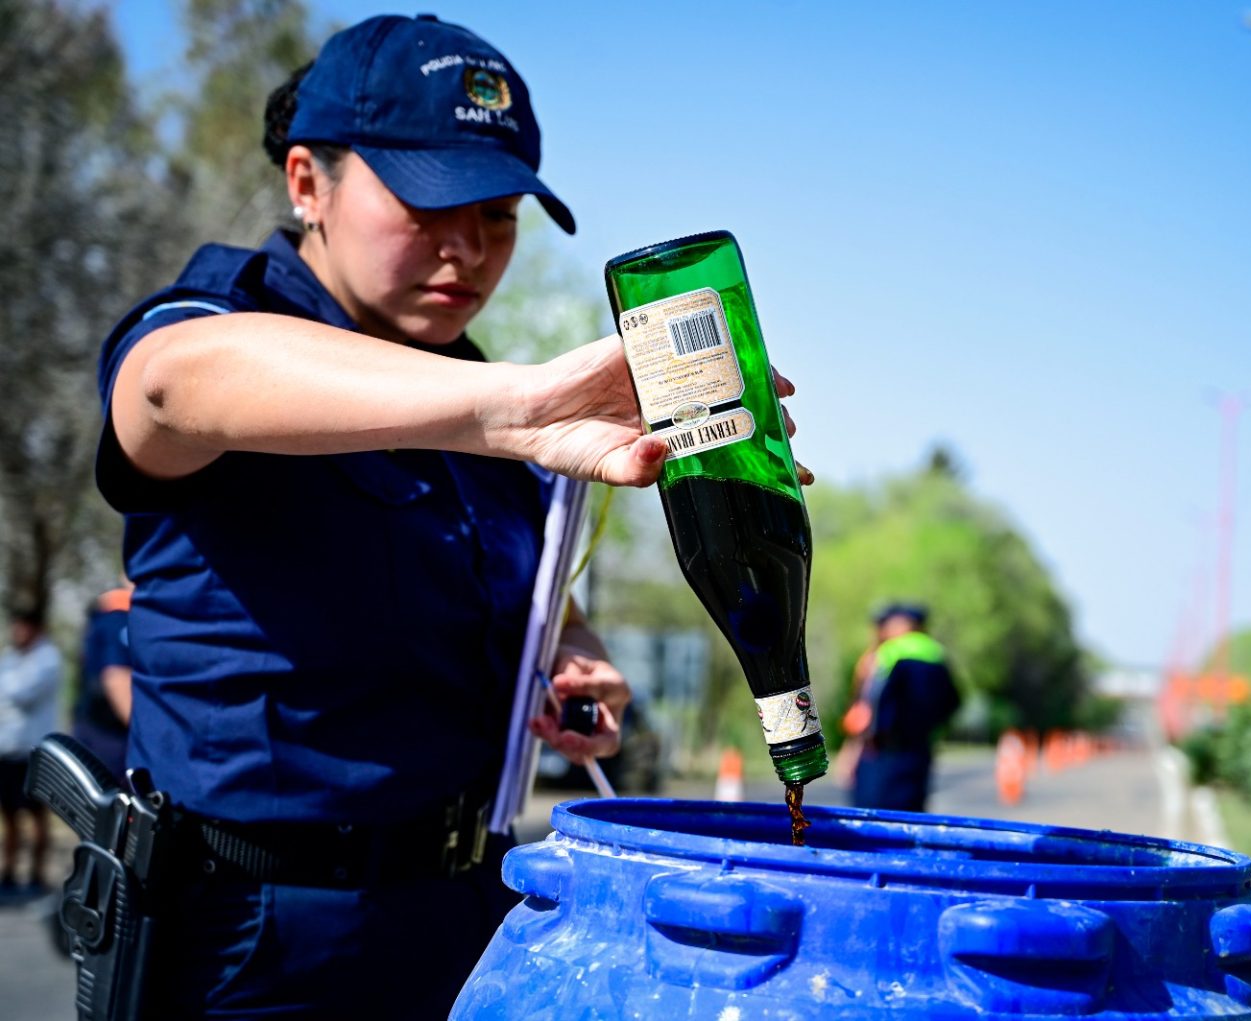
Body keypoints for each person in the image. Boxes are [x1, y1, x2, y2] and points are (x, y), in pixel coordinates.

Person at [91, 13, 803, 1019]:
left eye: (498, 213)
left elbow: (523, 598)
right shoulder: (225, 325)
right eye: (427, 202)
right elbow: (167, 388)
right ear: (307, 183)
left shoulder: (479, 398)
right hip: (255, 939)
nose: (468, 248)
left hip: (465, 917)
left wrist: (569, 658)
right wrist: (515, 406)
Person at [845, 604, 961, 813]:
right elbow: (953, 700)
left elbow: (870, 704)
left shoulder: (887, 653)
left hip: (883, 751)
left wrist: (855, 746)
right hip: (919, 749)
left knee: (872, 815)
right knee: (910, 814)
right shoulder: (935, 652)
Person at [0, 607, 61, 893]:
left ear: (35, 629)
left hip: (33, 751)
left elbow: (21, 694)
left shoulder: (48, 658)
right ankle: (9, 872)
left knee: (37, 814)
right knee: (9, 814)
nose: (18, 632)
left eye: (23, 627)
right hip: (7, 748)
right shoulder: (11, 658)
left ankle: (37, 874)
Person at [71, 582, 133, 776]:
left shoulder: (102, 614)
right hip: (109, 734)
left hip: (91, 725)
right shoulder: (120, 617)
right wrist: (150, 738)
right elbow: (116, 678)